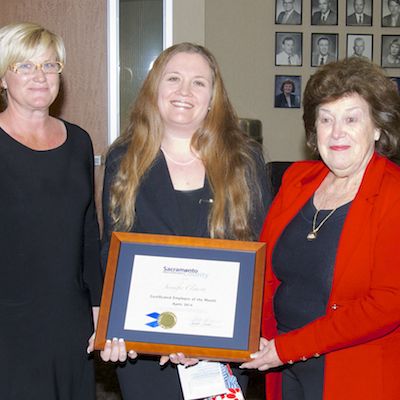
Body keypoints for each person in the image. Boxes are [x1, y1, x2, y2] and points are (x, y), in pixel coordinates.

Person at [100, 42, 271, 399]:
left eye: (198, 82)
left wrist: (210, 336)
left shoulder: (245, 160)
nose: (184, 91)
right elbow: (112, 250)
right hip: (144, 351)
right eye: (173, 78)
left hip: (220, 349)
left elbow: (258, 253)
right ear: (154, 89)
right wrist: (111, 324)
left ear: (213, 97)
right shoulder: (123, 159)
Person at [240, 57, 400, 400]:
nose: (337, 132)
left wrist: (290, 347)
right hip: (280, 366)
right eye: (326, 119)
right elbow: (263, 271)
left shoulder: (394, 194)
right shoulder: (297, 180)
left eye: (351, 118)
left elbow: (388, 303)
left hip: (354, 372)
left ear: (377, 127)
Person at [0, 22, 102, 399]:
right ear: (3, 78)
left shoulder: (78, 142)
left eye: (49, 65)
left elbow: (88, 233)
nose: (39, 76)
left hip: (68, 319)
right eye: (24, 66)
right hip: (8, 324)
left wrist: (96, 306)